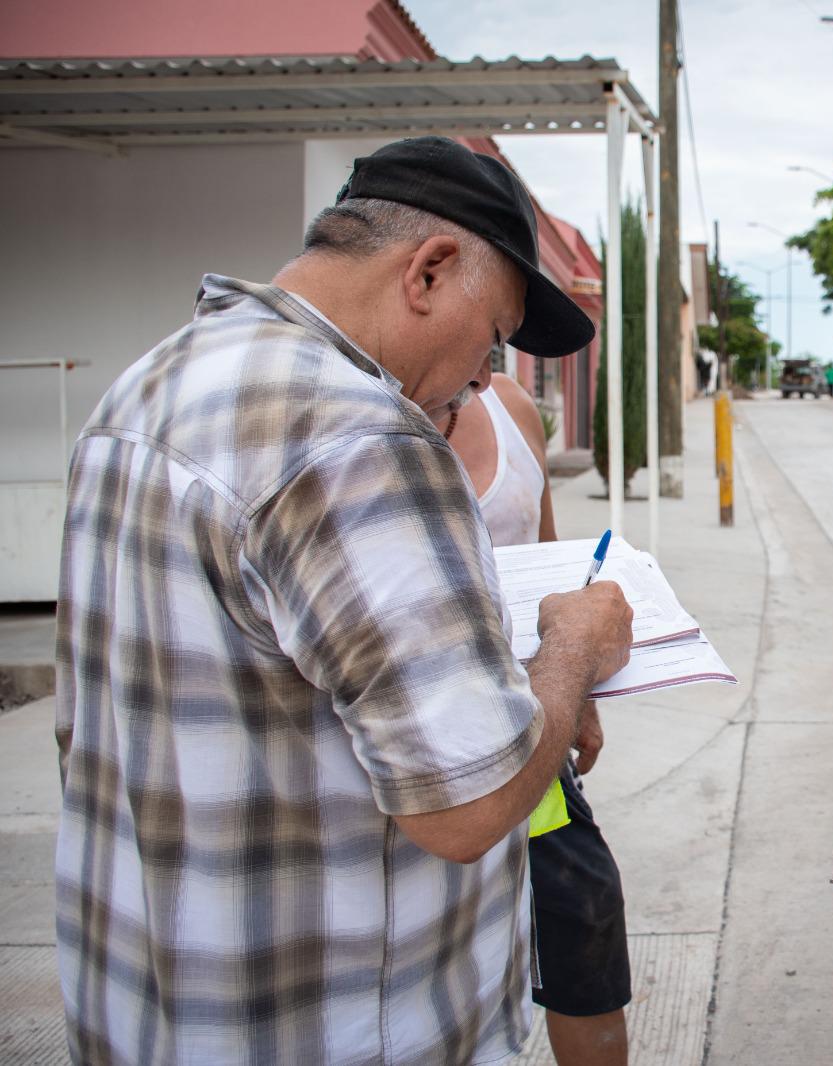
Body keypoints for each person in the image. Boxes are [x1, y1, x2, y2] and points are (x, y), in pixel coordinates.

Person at [54, 136, 634, 1064]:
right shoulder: (364, 439)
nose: (485, 380)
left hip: (148, 1005)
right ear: (430, 270)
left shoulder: (146, 385)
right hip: (336, 1023)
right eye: (491, 340)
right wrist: (571, 646)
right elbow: (469, 807)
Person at [432, 370, 632, 1066]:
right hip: (424, 747)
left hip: (531, 729)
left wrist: (581, 698)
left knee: (583, 915)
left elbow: (551, 565)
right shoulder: (374, 424)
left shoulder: (512, 407)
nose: (487, 364)